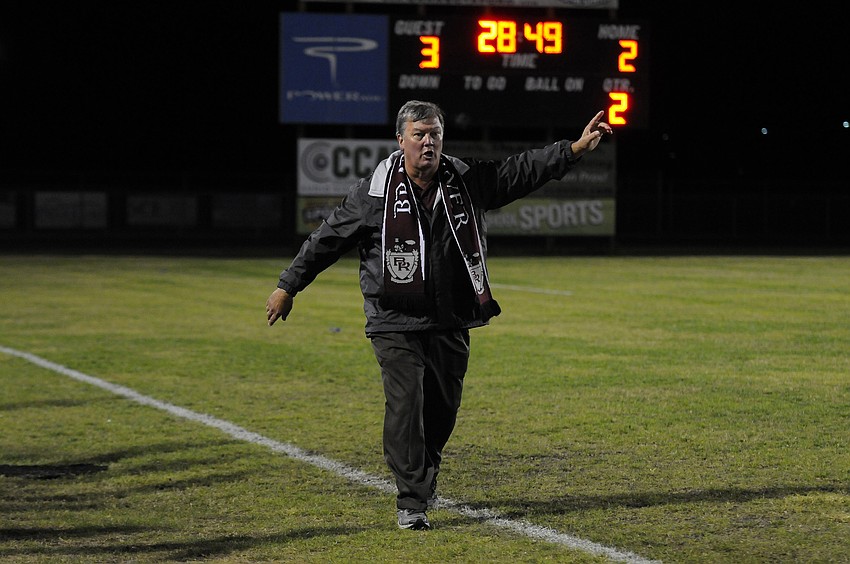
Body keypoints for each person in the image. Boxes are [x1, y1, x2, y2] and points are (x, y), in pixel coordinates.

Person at [266, 100, 612, 530]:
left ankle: (423, 471)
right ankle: (411, 501)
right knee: (407, 403)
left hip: (451, 316)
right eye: (419, 134)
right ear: (401, 140)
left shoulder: (465, 181)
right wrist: (288, 285)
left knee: (443, 409)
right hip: (393, 318)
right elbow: (326, 240)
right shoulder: (373, 194)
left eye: (434, 134)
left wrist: (573, 149)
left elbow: (518, 171)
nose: (428, 142)